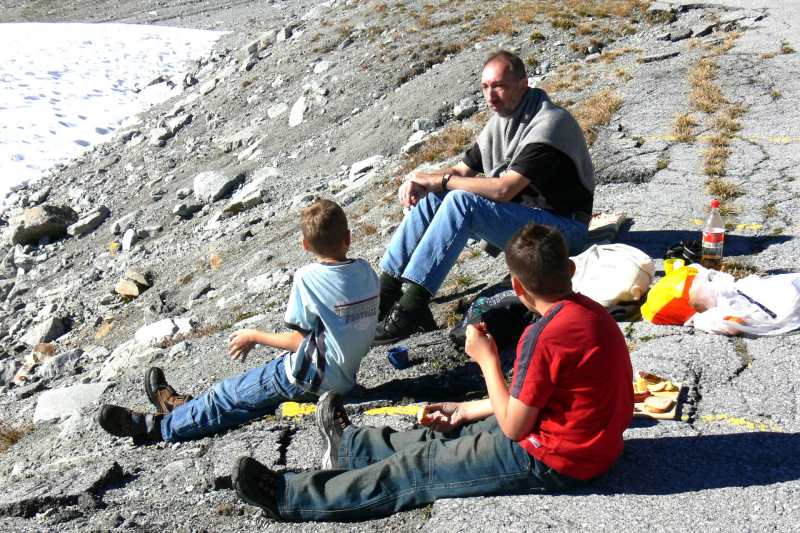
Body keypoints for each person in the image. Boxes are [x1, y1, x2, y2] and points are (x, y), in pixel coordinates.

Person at [231, 222, 633, 521]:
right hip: (584, 443)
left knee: (419, 467)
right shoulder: (595, 314)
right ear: (571, 269)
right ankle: (351, 446)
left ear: (517, 285)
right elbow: (537, 397)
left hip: (557, 461)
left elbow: (514, 428)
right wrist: (468, 409)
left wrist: (487, 359)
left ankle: (290, 496)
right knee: (454, 430)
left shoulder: (543, 337)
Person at [96, 199, 380, 444]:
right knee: (248, 402)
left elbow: (298, 340)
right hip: (342, 376)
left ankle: (154, 427)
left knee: (228, 395)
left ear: (305, 245)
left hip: (311, 378)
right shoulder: (365, 271)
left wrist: (254, 336)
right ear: (348, 237)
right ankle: (181, 409)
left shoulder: (308, 277)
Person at [374, 50, 595, 344]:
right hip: (528, 223)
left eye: (499, 86)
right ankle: (385, 293)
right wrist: (423, 181)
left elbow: (505, 189)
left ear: (523, 85)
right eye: (485, 87)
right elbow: (460, 170)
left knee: (460, 200)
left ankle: (411, 309)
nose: (490, 95)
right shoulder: (501, 121)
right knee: (436, 195)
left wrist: (443, 181)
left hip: (563, 233)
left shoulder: (550, 123)